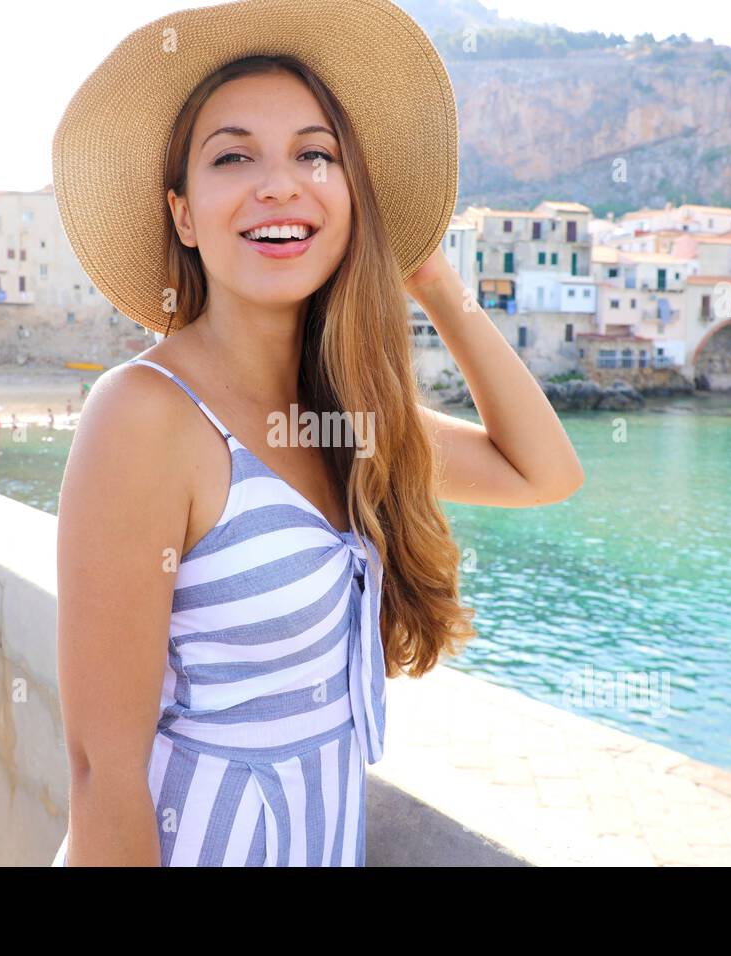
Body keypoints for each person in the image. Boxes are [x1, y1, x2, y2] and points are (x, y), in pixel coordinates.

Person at [51, 0, 583, 868]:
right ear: (183, 216)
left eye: (314, 154)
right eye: (234, 157)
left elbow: (543, 471)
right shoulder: (146, 414)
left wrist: (434, 281)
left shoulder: (343, 412)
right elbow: (99, 770)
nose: (280, 183)